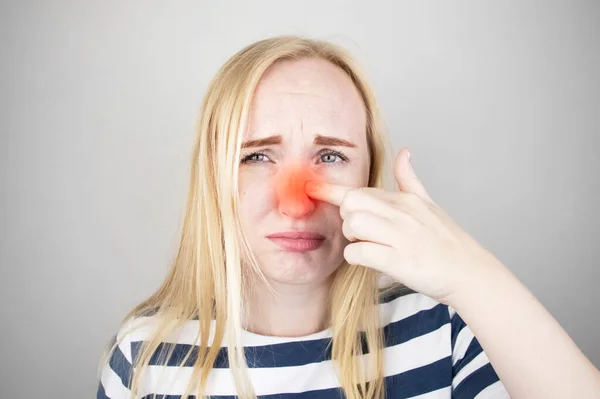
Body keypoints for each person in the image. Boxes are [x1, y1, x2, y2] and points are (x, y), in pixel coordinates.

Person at [96, 35, 600, 399]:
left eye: (332, 157)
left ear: (368, 178)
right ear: (213, 179)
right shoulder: (145, 357)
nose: (296, 203)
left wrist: (470, 275)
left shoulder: (443, 331)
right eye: (256, 156)